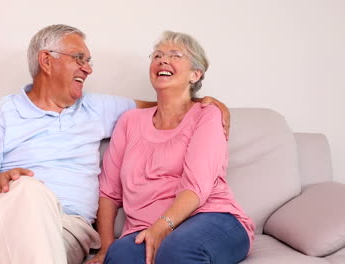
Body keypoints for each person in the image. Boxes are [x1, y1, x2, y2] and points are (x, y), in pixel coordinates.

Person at [0, 24, 231, 264]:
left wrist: (208, 104)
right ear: (46, 61)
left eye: (89, 60)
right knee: (26, 190)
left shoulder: (98, 108)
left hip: (66, 229)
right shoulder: (3, 113)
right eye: (79, 58)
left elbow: (164, 107)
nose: (88, 68)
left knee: (33, 207)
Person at [88, 31, 255, 264]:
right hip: (143, 228)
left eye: (175, 55)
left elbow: (196, 186)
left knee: (177, 250)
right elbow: (108, 192)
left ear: (195, 74)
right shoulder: (130, 121)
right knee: (120, 256)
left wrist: (161, 227)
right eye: (157, 55)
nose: (162, 60)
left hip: (210, 217)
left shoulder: (207, 115)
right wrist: (106, 247)